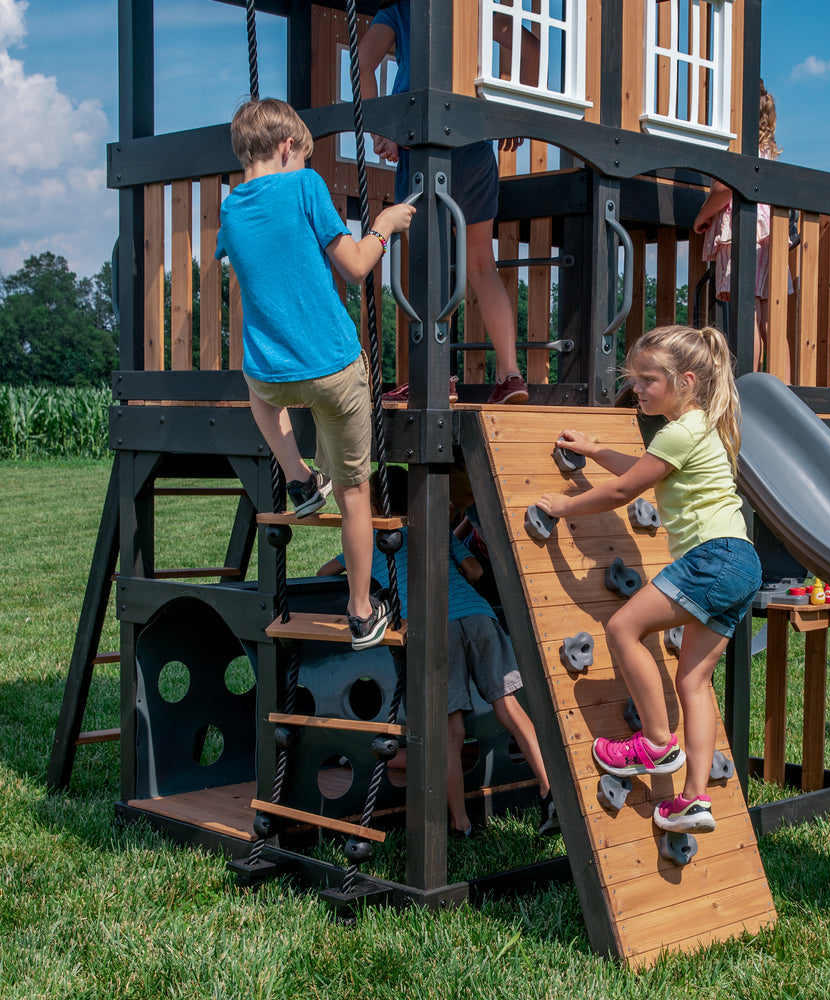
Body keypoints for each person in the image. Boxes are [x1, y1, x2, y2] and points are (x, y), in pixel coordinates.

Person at [535, 325, 761, 835]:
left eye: (647, 379)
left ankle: (657, 744)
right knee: (693, 681)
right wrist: (593, 450)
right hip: (742, 561)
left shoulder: (678, 431)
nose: (636, 387)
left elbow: (623, 491)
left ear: (684, 381)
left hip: (712, 558)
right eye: (634, 378)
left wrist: (565, 505)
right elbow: (643, 471)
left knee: (621, 628)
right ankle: (693, 800)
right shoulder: (703, 426)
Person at [215, 97, 415, 649]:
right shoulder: (305, 187)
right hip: (331, 364)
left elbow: (237, 255)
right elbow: (353, 268)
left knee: (258, 394)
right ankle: (359, 610)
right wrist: (384, 227)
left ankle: (300, 479)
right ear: (286, 148)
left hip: (272, 372)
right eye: (301, 156)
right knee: (356, 494)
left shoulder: (231, 209)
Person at [319, 466, 558, 837]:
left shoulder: (367, 540)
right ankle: (549, 788)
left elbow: (322, 574)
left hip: (433, 625)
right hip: (478, 615)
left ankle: (460, 823)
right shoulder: (433, 527)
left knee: (451, 731)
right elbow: (475, 570)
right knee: (510, 706)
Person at [358, 0, 538, 404]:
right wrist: (511, 111)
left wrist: (381, 128)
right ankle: (511, 374)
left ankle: (436, 377)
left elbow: (363, 61)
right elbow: (529, 48)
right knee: (480, 262)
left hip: (420, 140)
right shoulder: (475, 7)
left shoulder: (403, 9)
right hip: (473, 140)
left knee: (428, 262)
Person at [693, 80, 789, 380]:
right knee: (769, 313)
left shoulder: (738, 143)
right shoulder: (766, 148)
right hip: (767, 228)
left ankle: (748, 384)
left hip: (742, 227)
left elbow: (723, 189)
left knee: (748, 309)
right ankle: (784, 387)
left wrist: (702, 216)